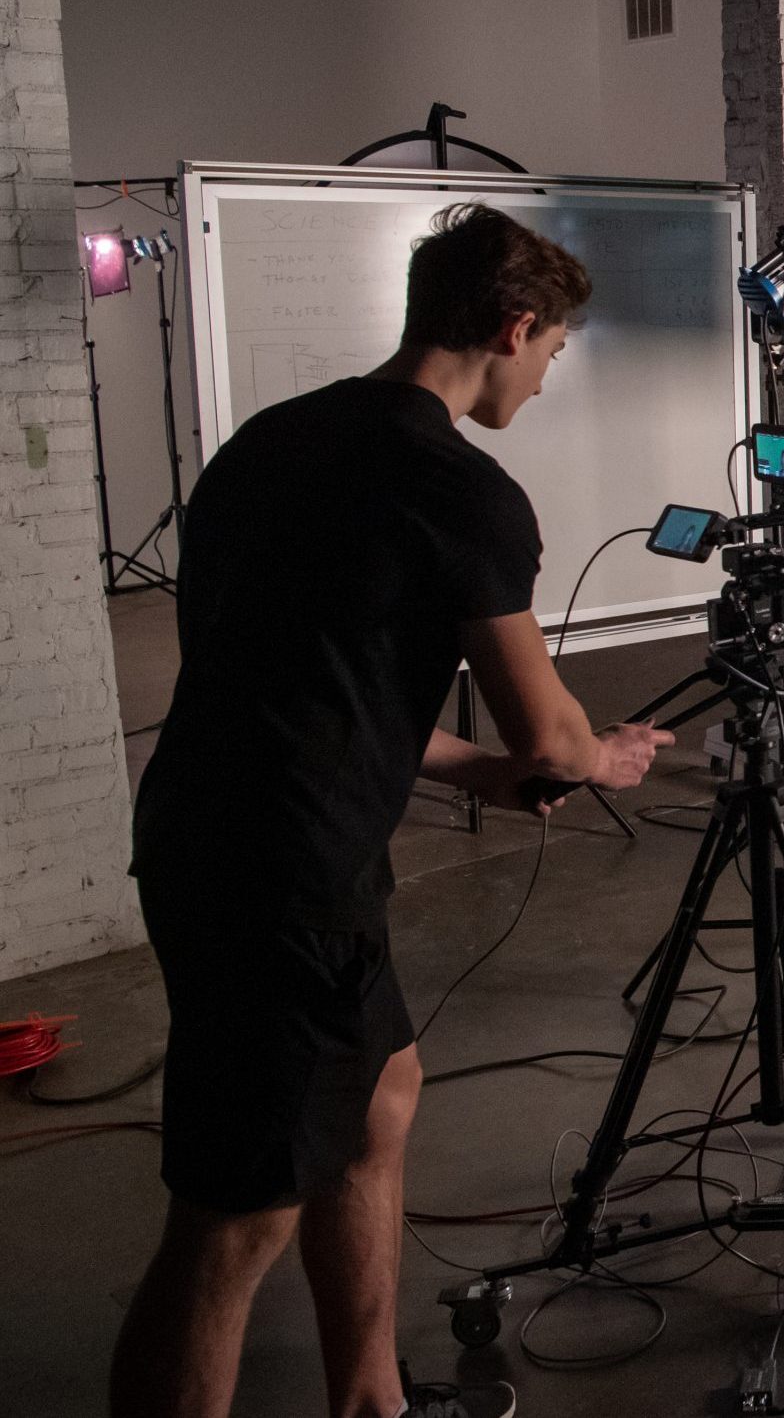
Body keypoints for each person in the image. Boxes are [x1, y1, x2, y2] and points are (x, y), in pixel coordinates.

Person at [112, 203, 674, 1418]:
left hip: (210, 835)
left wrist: (485, 774)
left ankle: (373, 1403)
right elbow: (551, 734)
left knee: (383, 1093)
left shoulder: (269, 444)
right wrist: (599, 755)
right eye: (553, 351)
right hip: (285, 877)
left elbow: (319, 690)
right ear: (514, 328)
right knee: (233, 1224)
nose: (545, 376)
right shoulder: (460, 492)